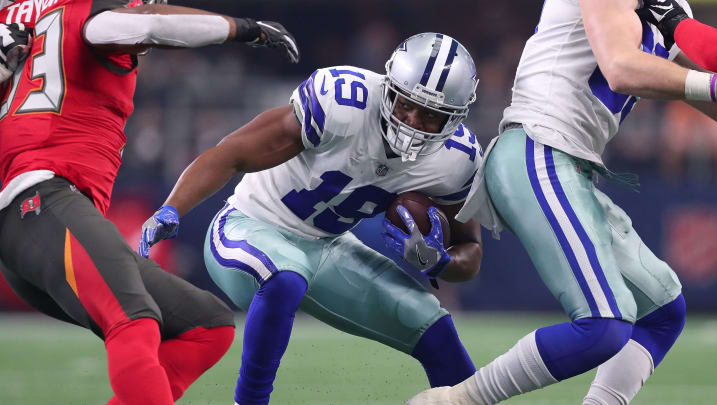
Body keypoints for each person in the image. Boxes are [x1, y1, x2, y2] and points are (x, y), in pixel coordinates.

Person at [139, 32, 484, 405]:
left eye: (431, 115)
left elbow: (470, 248)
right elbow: (233, 153)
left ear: (456, 118)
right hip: (251, 225)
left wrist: (442, 260)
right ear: (388, 87)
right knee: (286, 276)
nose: (412, 121)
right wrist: (172, 206)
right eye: (404, 105)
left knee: (433, 326)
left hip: (327, 248)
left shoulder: (456, 159)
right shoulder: (342, 101)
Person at [407, 0, 717, 404]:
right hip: (539, 147)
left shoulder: (672, 9)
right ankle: (452, 401)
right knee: (603, 322)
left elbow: (700, 86)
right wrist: (712, 83)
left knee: (662, 312)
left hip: (572, 165)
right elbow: (621, 69)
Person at [0, 0, 299, 404]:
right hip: (42, 201)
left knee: (207, 325)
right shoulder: (88, 18)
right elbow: (151, 23)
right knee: (133, 320)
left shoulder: (18, 20)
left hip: (41, 217)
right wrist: (246, 28)